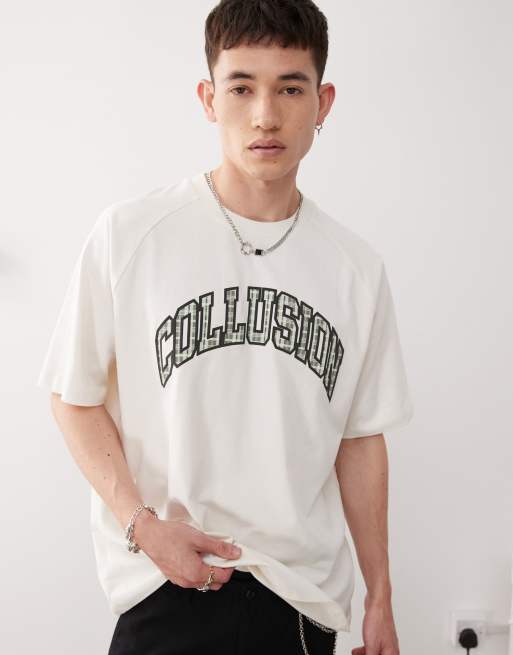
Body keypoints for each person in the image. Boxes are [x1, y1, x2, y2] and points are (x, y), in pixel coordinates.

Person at [37, 1, 414, 653]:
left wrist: (380, 598)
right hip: (165, 586)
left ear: (322, 102)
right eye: (241, 87)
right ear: (209, 99)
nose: (265, 115)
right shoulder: (131, 235)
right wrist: (141, 526)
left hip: (299, 604)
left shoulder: (355, 268)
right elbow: (73, 396)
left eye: (289, 88)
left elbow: (359, 438)